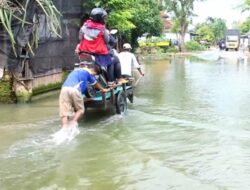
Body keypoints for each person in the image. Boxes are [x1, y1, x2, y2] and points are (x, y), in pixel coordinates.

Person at [59, 64, 109, 128]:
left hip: (64, 89)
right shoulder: (88, 72)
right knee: (80, 110)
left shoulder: (75, 70)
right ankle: (73, 123)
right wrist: (103, 89)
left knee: (64, 112)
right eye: (94, 75)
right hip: (74, 89)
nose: (93, 76)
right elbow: (95, 83)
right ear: (94, 71)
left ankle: (64, 127)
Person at [76, 8, 115, 86]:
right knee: (111, 62)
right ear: (99, 18)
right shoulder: (102, 28)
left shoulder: (84, 26)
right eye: (103, 17)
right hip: (99, 53)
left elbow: (80, 38)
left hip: (84, 51)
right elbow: (107, 41)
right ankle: (111, 82)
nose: (104, 19)